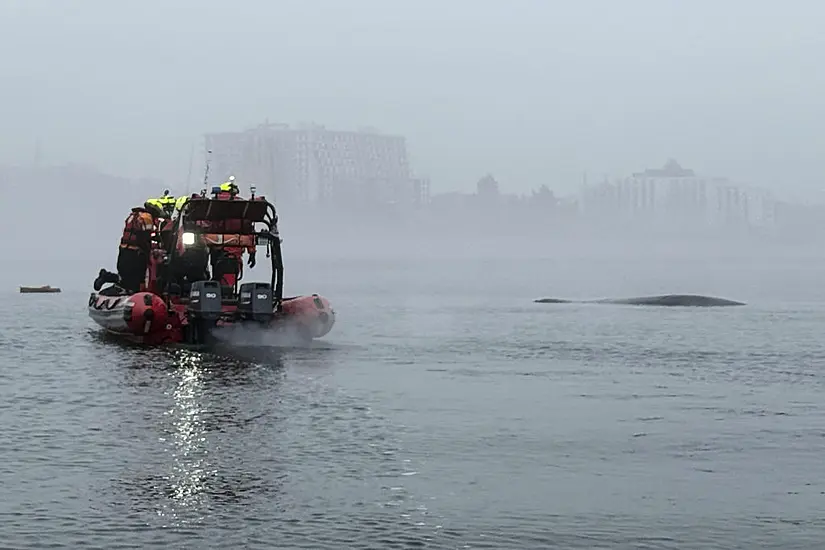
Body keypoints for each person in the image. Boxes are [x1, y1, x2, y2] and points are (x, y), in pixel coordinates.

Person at [93, 202, 164, 293]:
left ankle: (107, 276)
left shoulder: (135, 216)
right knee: (136, 282)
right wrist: (147, 254)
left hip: (123, 250)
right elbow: (144, 237)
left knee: (124, 278)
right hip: (135, 254)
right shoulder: (147, 218)